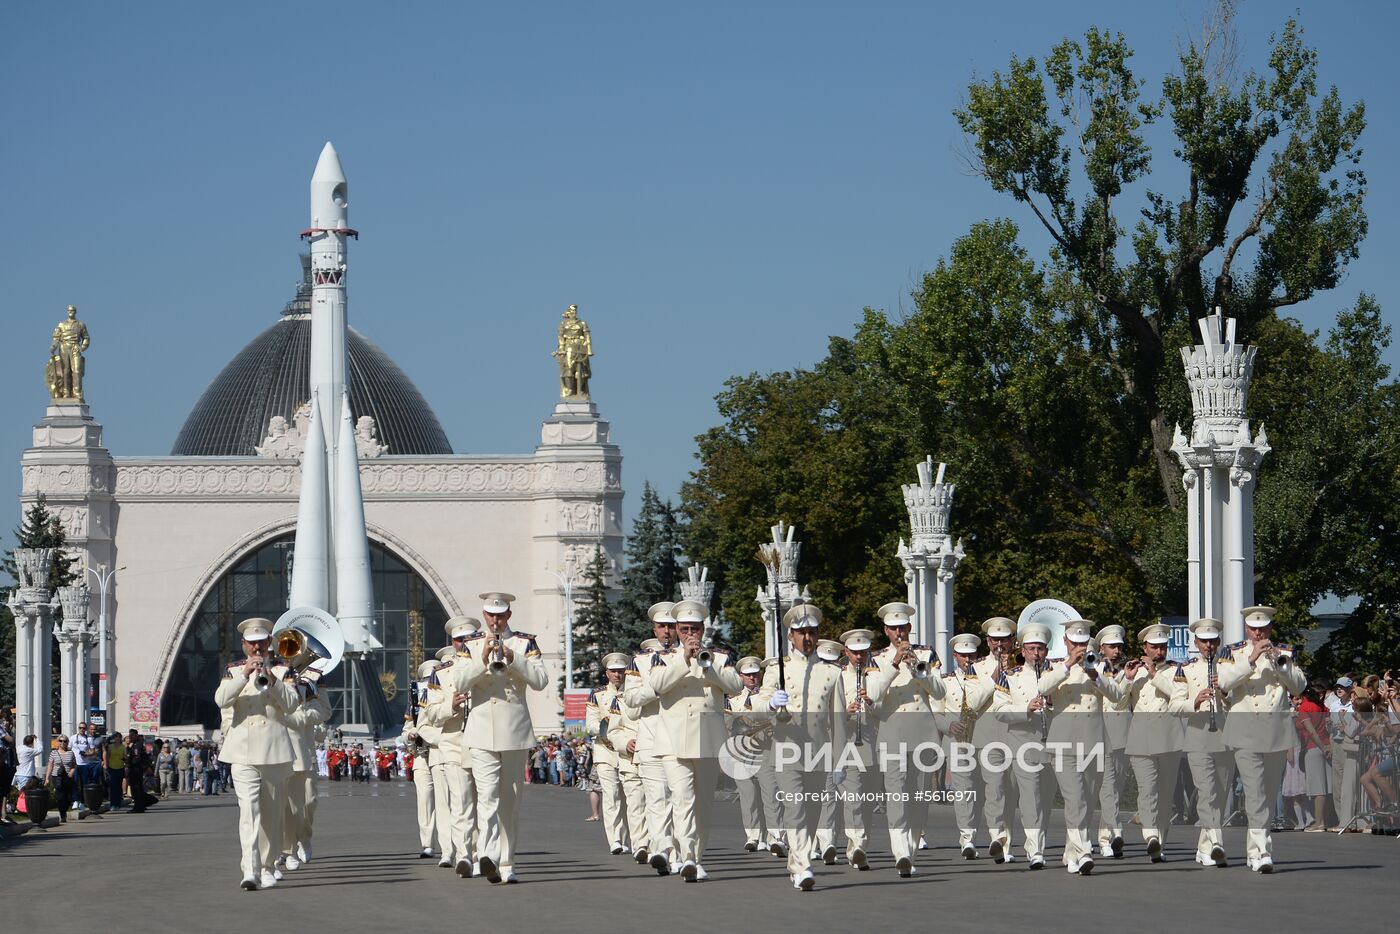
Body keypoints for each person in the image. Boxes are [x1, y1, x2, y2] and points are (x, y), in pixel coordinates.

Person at [438, 592, 549, 884]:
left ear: (508, 616)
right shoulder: (472, 644)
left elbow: (540, 681)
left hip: (514, 731)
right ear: (484, 616)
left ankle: (508, 861)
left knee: (509, 802)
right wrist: (482, 658)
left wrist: (515, 660)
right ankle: (487, 855)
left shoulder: (525, 643)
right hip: (481, 729)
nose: (495, 620)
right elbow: (459, 682)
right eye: (490, 615)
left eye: (500, 616)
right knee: (487, 797)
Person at [646, 599, 742, 883]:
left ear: (703, 629)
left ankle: (697, 857)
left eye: (695, 629)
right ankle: (687, 856)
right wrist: (684, 660)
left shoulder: (720, 657)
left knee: (703, 805)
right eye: (684, 629)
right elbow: (658, 686)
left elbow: (736, 688)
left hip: (708, 740)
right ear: (676, 629)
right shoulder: (662, 658)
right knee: (682, 800)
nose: (690, 635)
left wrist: (708, 665)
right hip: (673, 741)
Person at [759, 603, 846, 891]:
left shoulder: (832, 673)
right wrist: (772, 703)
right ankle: (803, 866)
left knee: (810, 812)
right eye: (800, 633)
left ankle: (798, 860)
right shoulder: (776, 669)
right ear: (790, 636)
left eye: (811, 632)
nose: (806, 638)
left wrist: (840, 759)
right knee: (795, 807)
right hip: (786, 747)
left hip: (818, 751)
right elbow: (758, 705)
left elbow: (839, 721)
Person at [1217, 605, 1307, 872]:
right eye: (1254, 628)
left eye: (1264, 628)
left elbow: (1300, 686)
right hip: (1245, 732)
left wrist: (1281, 663)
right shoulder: (1233, 652)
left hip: (1276, 733)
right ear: (1247, 628)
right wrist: (1252, 659)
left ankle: (1254, 851)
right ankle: (1263, 851)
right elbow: (1223, 682)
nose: (1259, 633)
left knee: (1267, 795)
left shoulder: (1285, 653)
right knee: (1255, 792)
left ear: (1270, 628)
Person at [215, 617, 300, 891]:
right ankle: (250, 869)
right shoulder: (233, 671)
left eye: (261, 642)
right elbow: (221, 700)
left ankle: (267, 865)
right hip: (242, 752)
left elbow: (291, 705)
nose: (257, 648)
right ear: (244, 645)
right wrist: (244, 675)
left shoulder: (284, 670)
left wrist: (272, 679)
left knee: (272, 815)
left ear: (270, 643)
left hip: (274, 751)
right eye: (251, 643)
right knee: (248, 812)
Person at [1036, 620, 1126, 875]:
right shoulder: (1053, 665)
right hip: (1063, 742)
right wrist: (1067, 664)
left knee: (1085, 800)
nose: (1079, 647)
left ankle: (1071, 852)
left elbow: (1118, 696)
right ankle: (1085, 851)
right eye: (1074, 643)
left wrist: (1096, 676)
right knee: (1074, 798)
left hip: (1094, 741)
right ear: (1065, 642)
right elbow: (1042, 688)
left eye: (1082, 643)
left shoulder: (1100, 665)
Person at [866, 601, 945, 878]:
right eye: (893, 628)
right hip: (892, 733)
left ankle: (910, 851)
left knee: (919, 797)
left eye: (903, 627)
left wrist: (917, 670)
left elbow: (938, 691)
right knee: (896, 795)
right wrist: (895, 662)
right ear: (886, 631)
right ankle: (900, 853)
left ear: (910, 628)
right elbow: (873, 694)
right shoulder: (875, 658)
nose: (899, 633)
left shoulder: (925, 653)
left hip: (921, 733)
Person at [623, 604, 681, 875]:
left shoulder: (689, 656)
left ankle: (683, 853)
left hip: (683, 738)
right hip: (651, 738)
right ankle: (662, 849)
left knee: (682, 800)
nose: (667, 631)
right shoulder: (640, 661)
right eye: (662, 627)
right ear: (654, 629)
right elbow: (631, 701)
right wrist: (656, 689)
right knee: (657, 800)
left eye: (671, 626)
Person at [989, 622, 1052, 869]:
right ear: (1023, 651)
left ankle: (1038, 845)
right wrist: (1026, 708)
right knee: (1030, 799)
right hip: (1023, 743)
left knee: (1046, 800)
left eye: (1041, 648)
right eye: (1032, 648)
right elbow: (999, 710)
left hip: (1054, 744)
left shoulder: (1056, 674)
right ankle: (1035, 850)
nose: (1036, 653)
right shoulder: (1010, 677)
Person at [1123, 623, 1186, 863]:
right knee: (1147, 790)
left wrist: (1154, 674)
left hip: (1169, 739)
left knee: (1165, 795)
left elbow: (1177, 695)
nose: (1159, 652)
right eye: (1154, 647)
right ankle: (1150, 836)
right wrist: (1128, 680)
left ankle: (1160, 844)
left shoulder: (1176, 671)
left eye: (1162, 647)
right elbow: (1118, 702)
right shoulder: (1133, 672)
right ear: (1144, 647)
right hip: (1140, 740)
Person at [425, 619, 482, 877]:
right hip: (453, 744)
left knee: (484, 802)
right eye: (460, 640)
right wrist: (453, 706)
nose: (464, 644)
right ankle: (464, 855)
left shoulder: (485, 667)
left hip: (482, 742)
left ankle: (483, 852)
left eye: (470, 638)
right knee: (460, 803)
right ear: (453, 643)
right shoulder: (442, 673)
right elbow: (431, 714)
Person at [1174, 617, 1231, 867]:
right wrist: (1195, 701)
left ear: (1218, 642)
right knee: (1207, 793)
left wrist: (1226, 692)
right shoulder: (1184, 668)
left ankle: (1204, 848)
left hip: (1226, 738)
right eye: (1203, 641)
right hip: (1197, 738)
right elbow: (1174, 706)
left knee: (1220, 795)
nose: (1208, 646)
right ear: (1196, 642)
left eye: (1212, 641)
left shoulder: (1229, 667)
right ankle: (1217, 842)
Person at [935, 631, 994, 860]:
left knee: (982, 792)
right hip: (958, 741)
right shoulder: (945, 680)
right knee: (963, 791)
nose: (967, 659)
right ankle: (967, 838)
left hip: (983, 739)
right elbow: (936, 714)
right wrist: (948, 725)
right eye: (962, 655)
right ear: (955, 656)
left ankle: (983, 834)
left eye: (971, 655)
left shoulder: (985, 676)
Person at [975, 617, 1022, 864]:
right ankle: (997, 837)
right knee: (995, 789)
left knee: (1012, 792)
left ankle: (1007, 843)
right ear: (988, 641)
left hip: (1016, 735)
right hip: (987, 736)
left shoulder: (1021, 664)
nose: (1000, 644)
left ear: (1012, 641)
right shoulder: (978, 666)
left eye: (1005, 639)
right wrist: (996, 675)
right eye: (995, 640)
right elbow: (971, 703)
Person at [279, 671, 331, 872]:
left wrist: (296, 717)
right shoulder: (269, 685)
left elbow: (323, 713)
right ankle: (286, 848)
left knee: (309, 802)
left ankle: (304, 837)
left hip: (304, 756)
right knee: (284, 807)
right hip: (279, 755)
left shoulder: (305, 687)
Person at [586, 652, 632, 855]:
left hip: (627, 751)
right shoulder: (597, 695)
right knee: (611, 795)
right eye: (613, 671)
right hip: (605, 750)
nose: (618, 675)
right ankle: (614, 839)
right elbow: (590, 724)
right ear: (607, 673)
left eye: (621, 671)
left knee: (629, 797)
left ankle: (627, 838)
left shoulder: (633, 693)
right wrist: (605, 728)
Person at [1296, 681, 1333, 832]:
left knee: (1318, 789)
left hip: (1313, 747)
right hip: (1325, 745)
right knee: (1326, 787)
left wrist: (1322, 747)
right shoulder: (1323, 707)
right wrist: (1327, 745)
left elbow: (1311, 731)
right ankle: (1326, 820)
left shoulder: (1305, 707)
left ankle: (1319, 822)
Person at [44, 734, 78, 822]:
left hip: (68, 776)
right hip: (57, 777)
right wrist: (47, 778)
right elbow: (50, 765)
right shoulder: (54, 753)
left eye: (65, 741)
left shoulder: (70, 753)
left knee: (68, 797)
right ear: (58, 742)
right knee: (60, 796)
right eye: (61, 741)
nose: (63, 743)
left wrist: (72, 771)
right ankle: (63, 815)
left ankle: (64, 810)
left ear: (67, 743)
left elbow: (74, 764)